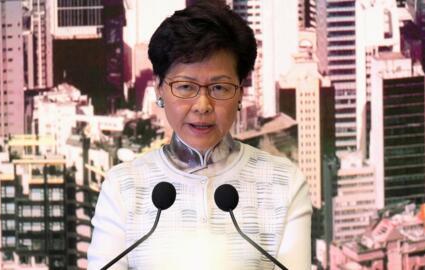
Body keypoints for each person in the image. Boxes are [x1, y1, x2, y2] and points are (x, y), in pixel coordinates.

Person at [88, 1, 312, 269]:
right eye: (185, 87)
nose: (203, 105)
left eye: (219, 87)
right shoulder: (123, 187)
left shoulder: (283, 183)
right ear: (160, 89)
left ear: (240, 92)